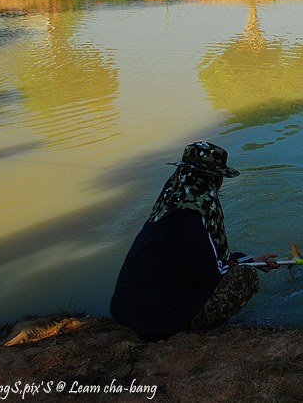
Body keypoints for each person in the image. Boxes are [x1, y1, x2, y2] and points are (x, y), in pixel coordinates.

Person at [110, 141, 277, 341]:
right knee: (245, 278)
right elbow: (205, 271)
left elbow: (204, 257)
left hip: (125, 312)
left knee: (235, 269)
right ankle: (194, 330)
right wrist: (246, 266)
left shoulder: (170, 204)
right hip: (154, 324)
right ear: (215, 179)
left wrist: (253, 259)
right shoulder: (192, 214)